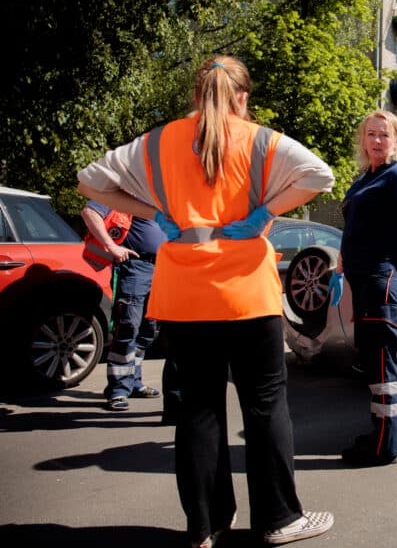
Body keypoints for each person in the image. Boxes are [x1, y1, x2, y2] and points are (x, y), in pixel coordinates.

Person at [77, 55, 335, 547]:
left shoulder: (157, 142)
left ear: (196, 95)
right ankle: (279, 519)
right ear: (243, 96)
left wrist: (154, 209)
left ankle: (206, 526)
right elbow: (318, 176)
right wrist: (263, 212)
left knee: (199, 409)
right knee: (264, 407)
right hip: (246, 293)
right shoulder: (260, 140)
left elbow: (90, 182)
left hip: (183, 293)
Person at [329, 110, 397, 467]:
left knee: (382, 364)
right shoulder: (362, 180)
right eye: (371, 134)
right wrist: (339, 271)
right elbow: (351, 232)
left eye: (384, 135)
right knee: (374, 364)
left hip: (383, 280)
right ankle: (384, 435)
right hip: (362, 281)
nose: (377, 141)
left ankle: (383, 448)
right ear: (363, 140)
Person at [81, 202, 165, 411]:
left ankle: (134, 382)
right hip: (135, 268)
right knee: (128, 327)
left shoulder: (159, 193)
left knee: (147, 330)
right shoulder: (127, 190)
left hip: (161, 269)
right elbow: (89, 212)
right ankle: (118, 389)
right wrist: (112, 246)